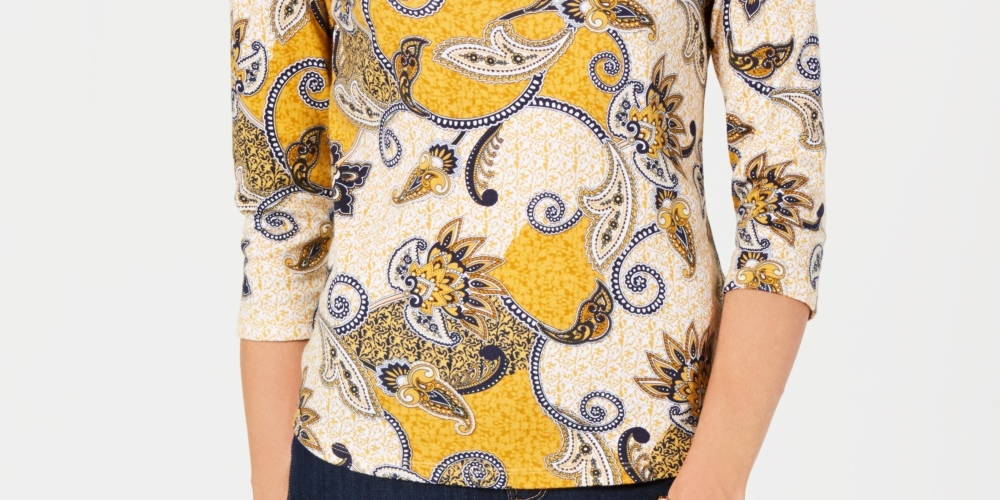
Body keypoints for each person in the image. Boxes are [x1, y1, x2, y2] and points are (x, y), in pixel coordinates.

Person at [230, 0, 826, 499]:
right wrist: (273, 481)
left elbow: (784, 204)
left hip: (642, 457)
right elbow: (278, 207)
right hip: (359, 451)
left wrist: (717, 478)